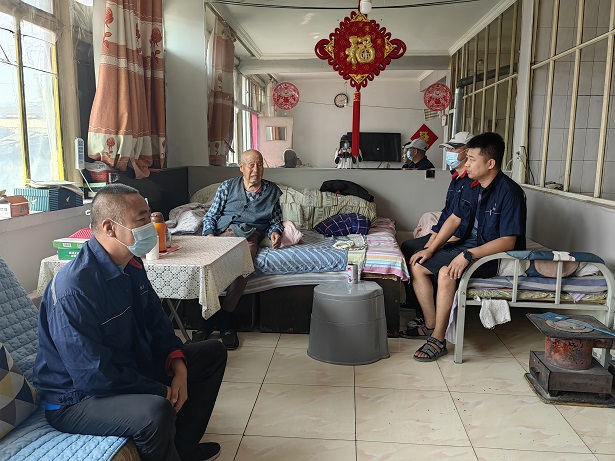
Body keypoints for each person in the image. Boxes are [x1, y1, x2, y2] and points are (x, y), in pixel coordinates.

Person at [33, 184, 227, 461]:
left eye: (149, 216)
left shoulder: (131, 265)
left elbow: (157, 322)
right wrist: (160, 390)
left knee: (212, 353)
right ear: (109, 228)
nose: (150, 227)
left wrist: (178, 364)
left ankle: (184, 450)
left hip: (126, 369)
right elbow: (92, 376)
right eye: (141, 220)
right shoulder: (74, 290)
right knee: (155, 411)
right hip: (78, 398)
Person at [404, 132, 526, 362]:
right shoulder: (472, 186)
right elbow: (454, 219)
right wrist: (430, 248)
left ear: (490, 163)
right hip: (468, 247)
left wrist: (468, 255)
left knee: (446, 272)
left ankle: (438, 339)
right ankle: (431, 324)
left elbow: (508, 241)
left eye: (471, 159)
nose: (466, 163)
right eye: (466, 158)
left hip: (492, 254)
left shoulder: (510, 193)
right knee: (418, 265)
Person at [194, 149, 284, 349]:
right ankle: (207, 320)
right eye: (251, 165)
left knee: (244, 263)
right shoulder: (227, 187)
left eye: (259, 164)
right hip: (222, 234)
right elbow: (211, 215)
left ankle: (225, 320)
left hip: (249, 236)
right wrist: (209, 236)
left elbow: (276, 221)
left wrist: (275, 232)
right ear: (241, 167)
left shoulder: (272, 191)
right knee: (209, 266)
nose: (256, 170)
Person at [399, 132, 474, 331]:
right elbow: (447, 214)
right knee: (408, 247)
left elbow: (459, 222)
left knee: (418, 255)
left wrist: (432, 246)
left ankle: (427, 318)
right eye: (448, 149)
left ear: (468, 152)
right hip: (449, 233)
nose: (449, 153)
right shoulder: (456, 178)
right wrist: (431, 238)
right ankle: (416, 304)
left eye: (453, 149)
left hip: (460, 238)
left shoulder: (471, 182)